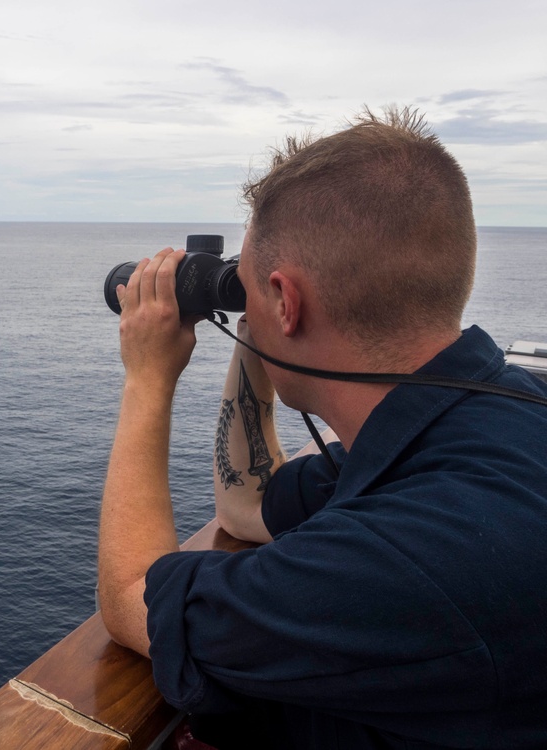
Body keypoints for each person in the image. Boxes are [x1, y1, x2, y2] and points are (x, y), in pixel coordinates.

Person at [97, 106, 547, 749]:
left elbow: (130, 598)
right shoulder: (489, 417)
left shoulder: (400, 558)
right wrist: (259, 311)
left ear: (287, 301)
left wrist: (146, 378)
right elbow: (247, 504)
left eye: (252, 292)